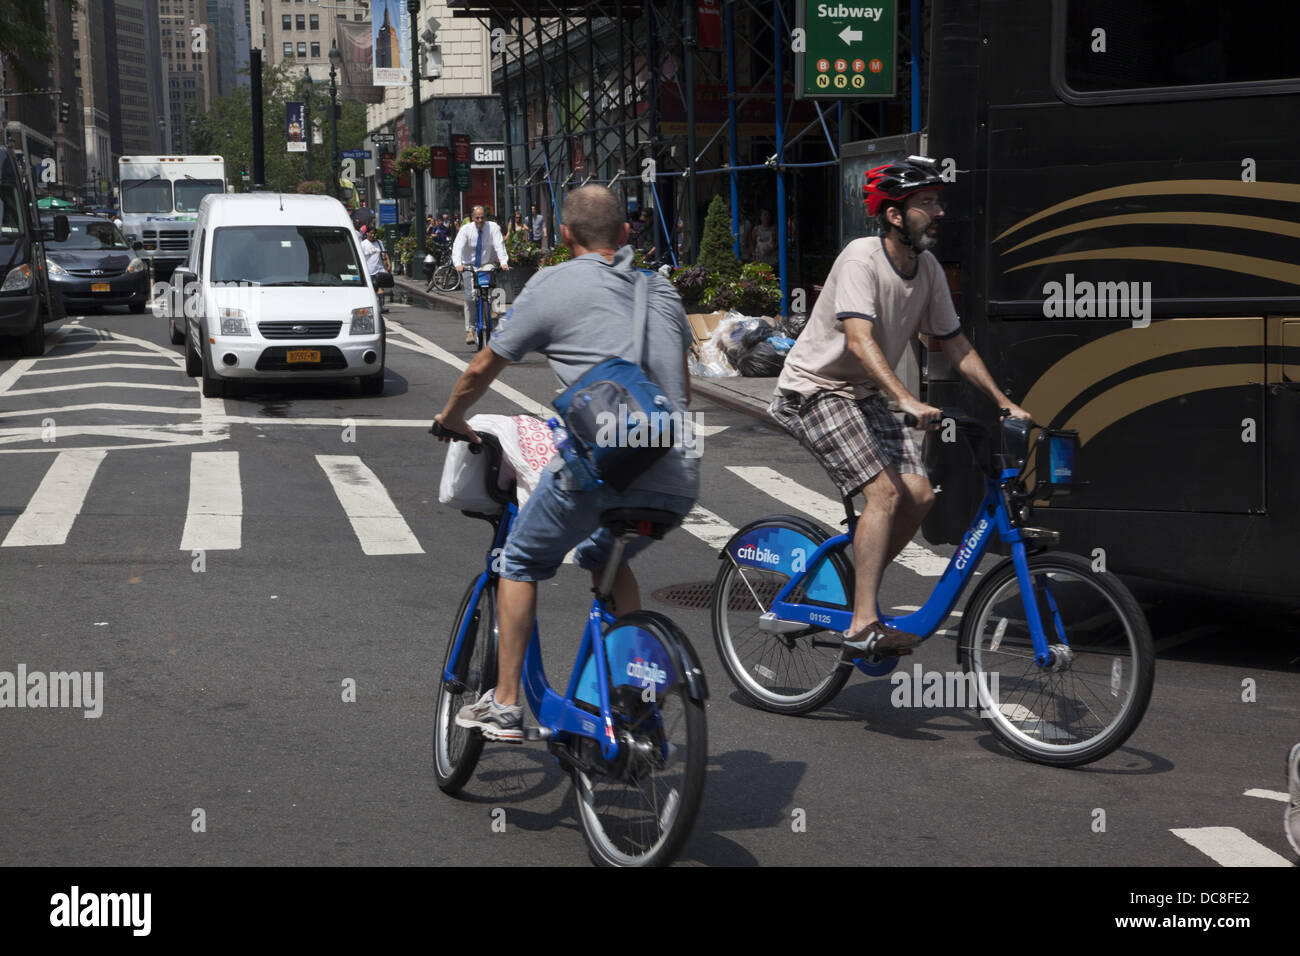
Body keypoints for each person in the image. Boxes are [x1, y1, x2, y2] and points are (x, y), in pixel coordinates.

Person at [432, 184, 699, 742]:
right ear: (627, 234)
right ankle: (631, 695)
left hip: (600, 464)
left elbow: (483, 366)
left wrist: (453, 417)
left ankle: (505, 705)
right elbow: (684, 393)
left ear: (565, 237)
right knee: (609, 560)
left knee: (520, 561)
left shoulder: (552, 282)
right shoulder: (663, 290)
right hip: (675, 472)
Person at [768, 157, 1031, 656]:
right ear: (894, 215)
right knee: (885, 494)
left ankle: (852, 591)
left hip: (862, 395)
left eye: (938, 202)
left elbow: (952, 342)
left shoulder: (927, 267)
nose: (938, 211)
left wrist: (1003, 403)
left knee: (920, 495)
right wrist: (906, 398)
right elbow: (860, 340)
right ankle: (861, 622)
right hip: (814, 389)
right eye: (926, 203)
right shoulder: (860, 259)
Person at [451, 204, 509, 346]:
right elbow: (457, 247)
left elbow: (499, 245)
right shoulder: (466, 230)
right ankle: (470, 329)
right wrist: (458, 264)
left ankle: (489, 318)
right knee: (470, 297)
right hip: (468, 265)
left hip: (485, 263)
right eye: (477, 217)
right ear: (472, 218)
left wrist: (503, 262)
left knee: (489, 290)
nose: (480, 220)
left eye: (482, 217)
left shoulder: (493, 228)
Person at [357, 224, 388, 312]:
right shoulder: (363, 244)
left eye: (374, 233)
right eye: (371, 233)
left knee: (380, 287)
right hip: (368, 271)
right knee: (371, 290)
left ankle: (382, 306)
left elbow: (384, 254)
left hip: (379, 269)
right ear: (367, 233)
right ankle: (370, 306)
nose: (373, 235)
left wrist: (387, 264)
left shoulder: (379, 242)